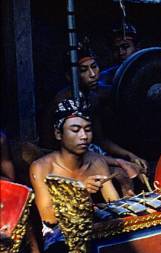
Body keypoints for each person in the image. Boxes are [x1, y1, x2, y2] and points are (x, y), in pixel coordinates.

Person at [29, 98, 120, 253]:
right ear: (59, 134)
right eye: (76, 129)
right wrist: (80, 192)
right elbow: (48, 216)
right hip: (60, 239)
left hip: (96, 230)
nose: (83, 136)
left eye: (88, 130)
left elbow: (115, 205)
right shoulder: (42, 167)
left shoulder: (97, 161)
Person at [40, 41, 147, 194]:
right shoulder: (63, 102)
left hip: (91, 155)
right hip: (68, 161)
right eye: (84, 70)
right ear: (70, 77)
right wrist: (119, 163)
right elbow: (67, 150)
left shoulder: (93, 98)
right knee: (122, 174)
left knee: (136, 169)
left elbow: (101, 140)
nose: (92, 74)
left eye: (94, 67)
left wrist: (129, 155)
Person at [98, 22, 140, 89]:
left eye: (125, 46)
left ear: (137, 47)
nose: (120, 53)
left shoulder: (150, 68)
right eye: (115, 49)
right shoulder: (107, 75)